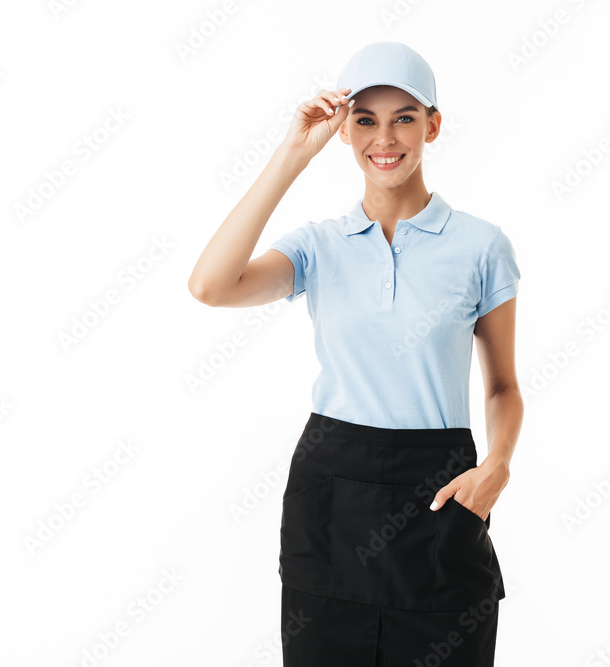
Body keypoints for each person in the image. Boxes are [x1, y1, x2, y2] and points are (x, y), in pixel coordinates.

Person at [189, 41, 523, 666]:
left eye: (403, 116)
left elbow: (502, 385)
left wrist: (497, 466)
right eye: (365, 118)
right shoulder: (319, 247)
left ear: (433, 123)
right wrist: (292, 155)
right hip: (331, 494)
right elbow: (210, 285)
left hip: (440, 488)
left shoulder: (481, 246)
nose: (385, 137)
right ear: (344, 129)